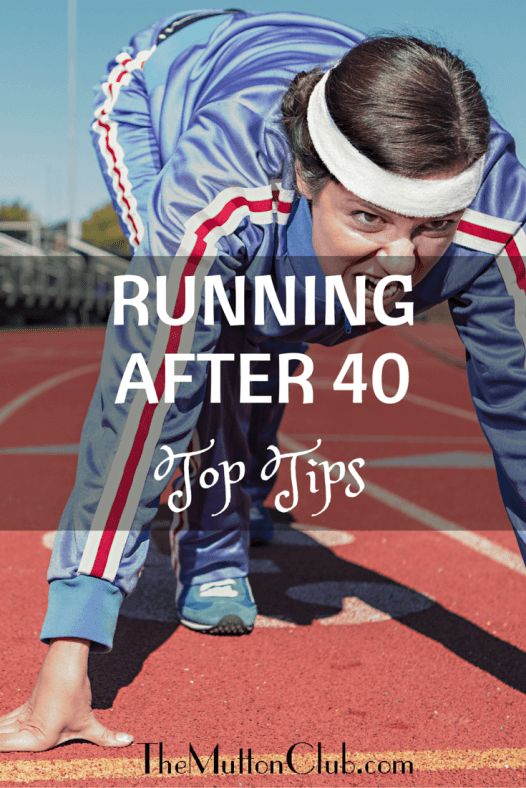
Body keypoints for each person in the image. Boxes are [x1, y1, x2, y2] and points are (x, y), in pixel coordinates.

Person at [1, 7, 525, 752]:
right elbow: (148, 398)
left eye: (431, 227)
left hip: (299, 110)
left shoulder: (497, 211)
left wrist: (389, 234)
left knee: (285, 319)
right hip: (162, 93)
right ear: (311, 179)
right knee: (214, 333)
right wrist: (70, 654)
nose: (404, 263)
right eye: (370, 219)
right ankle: (214, 544)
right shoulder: (214, 189)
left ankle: (242, 486)